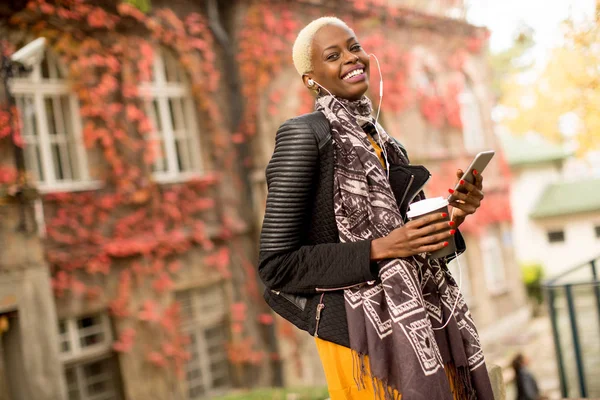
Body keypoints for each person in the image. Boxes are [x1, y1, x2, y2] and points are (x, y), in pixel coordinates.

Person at [258, 16, 494, 400]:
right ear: (311, 79)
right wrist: (383, 247)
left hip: (423, 325)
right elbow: (275, 266)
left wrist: (452, 217)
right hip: (358, 339)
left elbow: (412, 246)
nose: (352, 59)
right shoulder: (303, 134)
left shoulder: (386, 143)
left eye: (354, 48)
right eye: (333, 55)